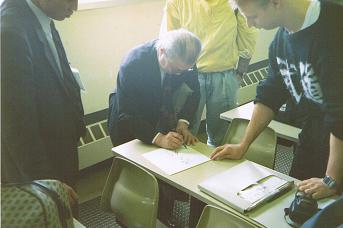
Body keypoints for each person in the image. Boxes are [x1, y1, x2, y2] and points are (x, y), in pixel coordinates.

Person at [211, 0, 343, 200]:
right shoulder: (281, 42)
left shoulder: (334, 26)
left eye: (253, 16)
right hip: (313, 136)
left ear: (276, 3)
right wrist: (243, 145)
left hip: (338, 144)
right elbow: (270, 94)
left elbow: (339, 114)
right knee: (295, 205)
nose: (249, 24)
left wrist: (332, 179)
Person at [107, 29, 201, 226]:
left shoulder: (186, 59)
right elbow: (127, 113)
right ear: (161, 51)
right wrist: (158, 138)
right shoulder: (134, 63)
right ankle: (128, 217)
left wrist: (183, 123)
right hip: (129, 123)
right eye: (175, 69)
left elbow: (194, 92)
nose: (179, 74)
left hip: (161, 114)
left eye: (184, 70)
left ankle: (162, 215)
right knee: (137, 175)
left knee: (165, 173)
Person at [1, 0, 85, 207]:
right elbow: (15, 123)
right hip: (41, 163)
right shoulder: (9, 32)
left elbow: (61, 73)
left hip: (60, 146)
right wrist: (47, 183)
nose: (74, 7)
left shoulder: (43, 14)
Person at [160, 0, 257, 146]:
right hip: (187, 77)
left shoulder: (235, 2)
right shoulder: (177, 2)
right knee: (182, 134)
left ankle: (221, 168)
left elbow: (248, 31)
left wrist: (241, 71)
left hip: (224, 74)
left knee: (222, 137)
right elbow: (168, 39)